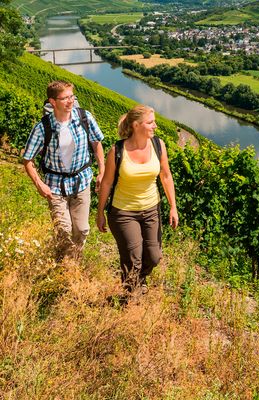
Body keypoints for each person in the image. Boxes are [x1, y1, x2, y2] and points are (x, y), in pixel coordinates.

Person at [96, 104, 178, 295]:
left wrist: (173, 207)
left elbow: (166, 176)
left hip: (151, 209)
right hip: (123, 212)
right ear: (136, 125)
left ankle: (139, 280)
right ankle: (130, 299)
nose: (155, 126)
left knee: (154, 256)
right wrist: (100, 213)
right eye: (150, 122)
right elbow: (107, 183)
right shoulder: (117, 150)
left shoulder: (159, 145)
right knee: (133, 259)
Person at [23, 80, 105, 261]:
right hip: (55, 187)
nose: (70, 102)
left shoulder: (85, 118)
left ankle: (72, 261)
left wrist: (102, 170)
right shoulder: (42, 127)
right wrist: (39, 184)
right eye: (65, 98)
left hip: (81, 182)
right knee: (64, 230)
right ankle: (66, 269)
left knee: (82, 229)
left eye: (72, 97)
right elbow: (27, 159)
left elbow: (96, 143)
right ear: (53, 102)